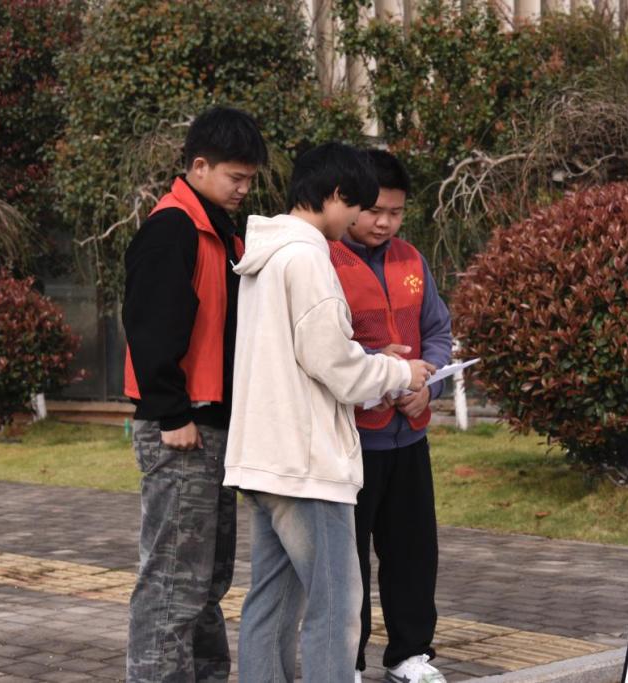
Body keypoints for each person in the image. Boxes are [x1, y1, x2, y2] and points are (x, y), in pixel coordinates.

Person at [224, 141, 434, 683]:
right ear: (336, 195)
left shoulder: (266, 255)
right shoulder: (308, 258)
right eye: (358, 207)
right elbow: (336, 364)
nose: (360, 221)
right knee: (336, 607)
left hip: (264, 458)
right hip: (307, 461)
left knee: (272, 602)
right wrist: (400, 373)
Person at [123, 105, 267, 682]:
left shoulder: (220, 230)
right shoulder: (173, 228)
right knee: (172, 583)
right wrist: (171, 413)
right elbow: (149, 327)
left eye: (249, 178)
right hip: (182, 429)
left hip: (211, 429)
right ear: (199, 166)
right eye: (236, 177)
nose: (244, 188)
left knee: (206, 581)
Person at [329, 149, 452, 683]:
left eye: (396, 212)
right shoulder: (325, 261)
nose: (384, 223)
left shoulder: (411, 260)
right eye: (375, 210)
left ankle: (409, 655)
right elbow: (328, 349)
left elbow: (438, 333)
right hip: (353, 440)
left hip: (410, 437)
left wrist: (429, 386)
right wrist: (378, 376)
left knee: (413, 552)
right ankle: (347, 662)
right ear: (350, 201)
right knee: (348, 560)